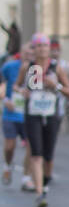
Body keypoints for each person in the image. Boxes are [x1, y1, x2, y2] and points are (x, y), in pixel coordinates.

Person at [14, 33, 69, 207]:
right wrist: (21, 91)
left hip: (51, 114)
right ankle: (40, 193)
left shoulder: (56, 68)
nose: (41, 49)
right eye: (38, 46)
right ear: (34, 49)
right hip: (33, 114)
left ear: (49, 49)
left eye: (44, 46)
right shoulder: (28, 67)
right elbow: (16, 85)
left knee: (48, 156)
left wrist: (57, 86)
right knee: (36, 154)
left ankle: (45, 184)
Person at [1, 48, 28, 187]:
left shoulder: (36, 69)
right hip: (11, 113)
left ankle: (26, 178)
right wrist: (5, 99)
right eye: (26, 53)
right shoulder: (10, 67)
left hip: (29, 115)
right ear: (21, 53)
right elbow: (2, 83)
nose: (29, 56)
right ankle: (7, 165)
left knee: (31, 148)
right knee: (9, 147)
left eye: (32, 54)